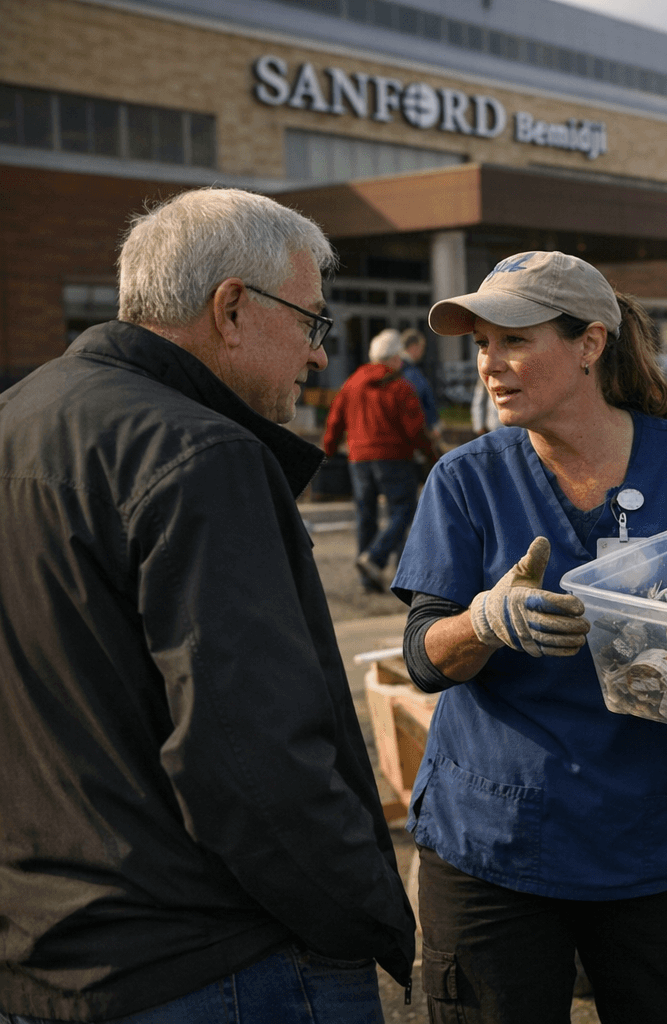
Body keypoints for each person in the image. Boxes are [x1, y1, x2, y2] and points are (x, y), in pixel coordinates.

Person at [0, 187, 415, 1022]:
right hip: (211, 961)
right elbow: (253, 759)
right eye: (310, 323)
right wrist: (371, 916)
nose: (317, 358)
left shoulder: (17, 416)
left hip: (41, 950)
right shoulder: (200, 455)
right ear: (232, 308)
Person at [391, 251, 667, 1023]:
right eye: (481, 343)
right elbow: (423, 656)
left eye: (514, 340)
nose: (490, 364)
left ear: (590, 344)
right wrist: (481, 622)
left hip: (656, 842)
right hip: (498, 841)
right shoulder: (466, 479)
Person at [322, 327, 437, 591]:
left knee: (366, 515)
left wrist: (328, 450)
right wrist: (431, 455)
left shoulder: (352, 383)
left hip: (358, 458)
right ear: (395, 358)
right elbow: (415, 429)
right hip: (395, 458)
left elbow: (335, 419)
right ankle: (376, 558)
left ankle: (368, 578)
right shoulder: (400, 386)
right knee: (404, 510)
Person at [399, 327, 444, 450]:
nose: (422, 352)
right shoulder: (410, 372)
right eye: (421, 347)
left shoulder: (401, 370)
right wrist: (431, 427)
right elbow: (417, 403)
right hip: (419, 433)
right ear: (413, 347)